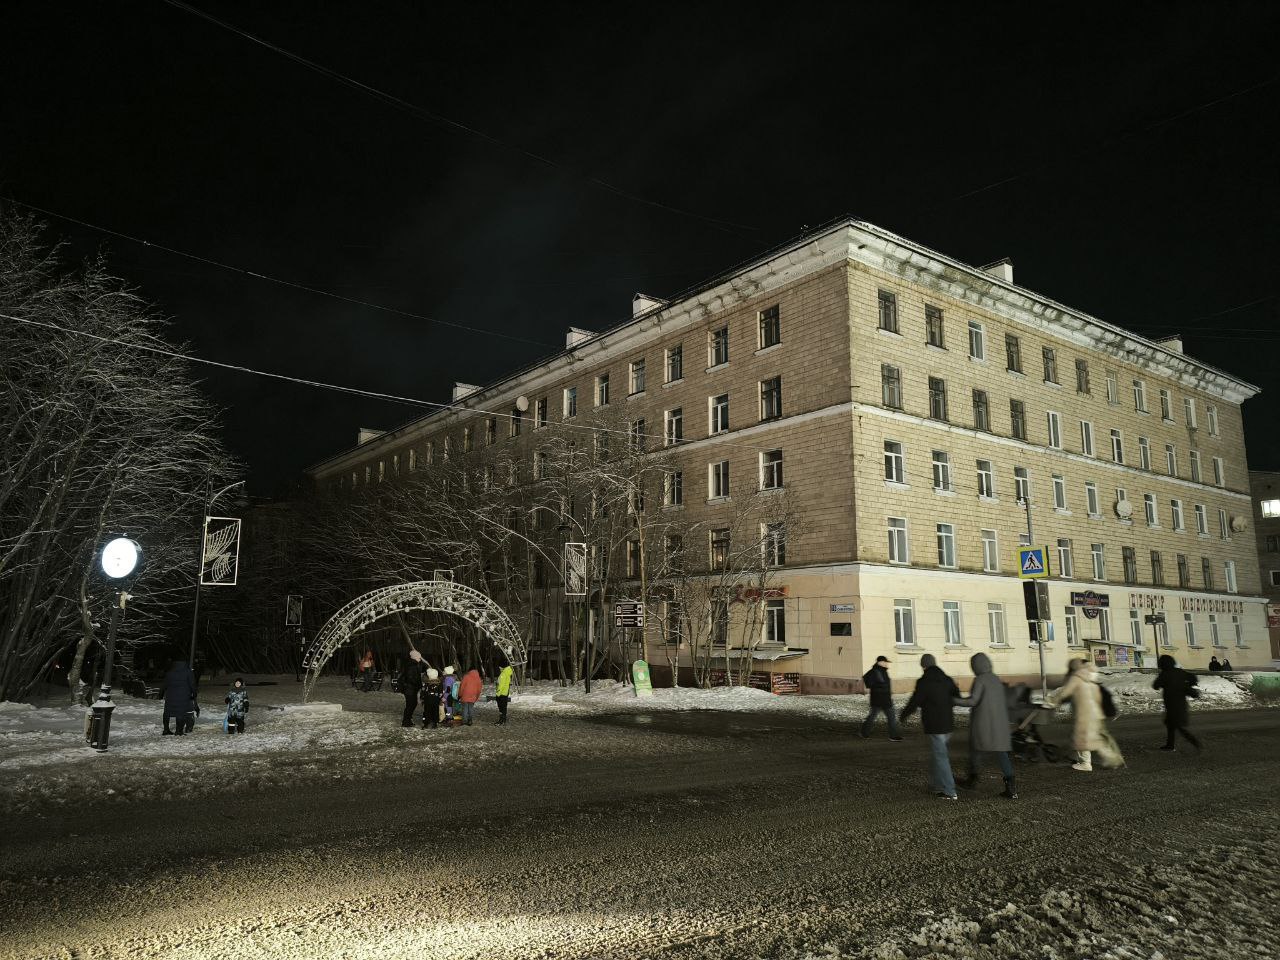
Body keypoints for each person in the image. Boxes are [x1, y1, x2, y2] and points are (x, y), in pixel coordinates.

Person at [1042, 658, 1124, 771]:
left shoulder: (1076, 678)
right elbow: (1097, 697)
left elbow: (1064, 693)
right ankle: (1113, 759)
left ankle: (1085, 763)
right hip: (1095, 713)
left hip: (1084, 713)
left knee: (1081, 738)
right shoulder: (1090, 680)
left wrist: (1052, 701)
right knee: (1096, 738)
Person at [898, 654, 961, 800]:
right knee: (937, 755)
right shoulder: (947, 679)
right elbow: (956, 697)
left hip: (934, 724)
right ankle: (936, 785)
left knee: (940, 757)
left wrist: (904, 715)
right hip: (948, 724)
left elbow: (916, 701)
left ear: (923, 666)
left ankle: (950, 791)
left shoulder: (924, 682)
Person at [957, 653, 1017, 799]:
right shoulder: (995, 679)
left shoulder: (980, 680)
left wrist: (955, 700)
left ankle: (972, 779)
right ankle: (1011, 788)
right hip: (999, 724)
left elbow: (973, 701)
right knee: (1002, 753)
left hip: (983, 723)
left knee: (976, 750)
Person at [1153, 654, 1202, 752]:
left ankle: (1195, 742)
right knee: (1171, 724)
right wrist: (1186, 684)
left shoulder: (1164, 674)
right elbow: (1193, 678)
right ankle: (1170, 745)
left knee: (1177, 726)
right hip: (1180, 703)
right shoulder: (1179, 671)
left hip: (1171, 704)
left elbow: (1155, 685)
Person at [860, 655, 902, 741]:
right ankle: (893, 736)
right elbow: (868, 682)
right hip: (880, 699)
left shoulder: (882, 671)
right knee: (887, 717)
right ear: (881, 662)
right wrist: (879, 688)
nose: (887, 664)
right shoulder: (875, 671)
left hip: (883, 699)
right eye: (886, 662)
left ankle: (864, 733)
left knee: (875, 716)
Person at [161, 660, 196, 736]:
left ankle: (166, 729)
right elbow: (192, 684)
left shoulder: (170, 672)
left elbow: (164, 684)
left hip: (170, 696)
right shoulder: (188, 672)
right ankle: (179, 731)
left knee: (167, 713)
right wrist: (194, 694)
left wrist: (161, 694)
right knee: (181, 713)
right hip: (183, 696)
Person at [400, 649, 424, 728]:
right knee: (411, 704)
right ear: (415, 657)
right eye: (419, 657)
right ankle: (406, 721)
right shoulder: (412, 666)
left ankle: (408, 720)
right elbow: (411, 678)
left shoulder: (413, 664)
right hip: (410, 689)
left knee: (412, 704)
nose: (420, 659)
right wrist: (418, 684)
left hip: (411, 688)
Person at [495, 660, 513, 725]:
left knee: (501, 708)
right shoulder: (507, 673)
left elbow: (500, 685)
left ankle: (501, 721)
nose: (499, 668)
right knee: (504, 708)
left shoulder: (503, 674)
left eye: (500, 666)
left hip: (501, 694)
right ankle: (503, 720)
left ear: (502, 666)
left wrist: (497, 694)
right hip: (505, 693)